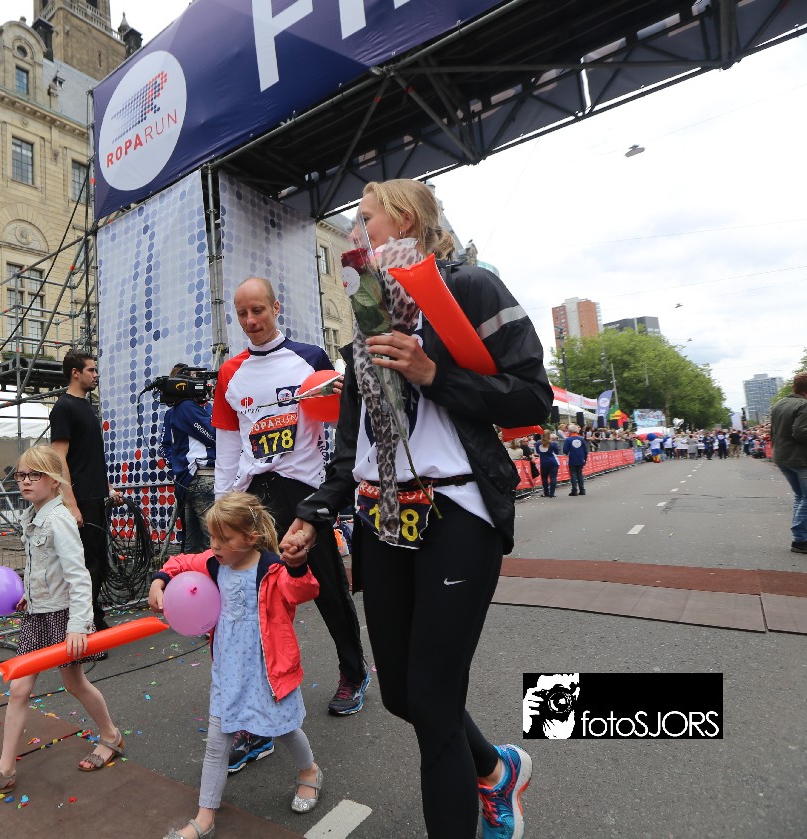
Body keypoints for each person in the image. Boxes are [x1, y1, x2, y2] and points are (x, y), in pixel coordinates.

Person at [280, 179, 550, 839]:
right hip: (381, 516)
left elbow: (531, 398)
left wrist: (435, 375)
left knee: (432, 700)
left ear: (402, 219)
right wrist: (315, 511)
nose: (354, 232)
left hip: (457, 510)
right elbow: (354, 445)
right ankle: (497, 770)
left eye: (364, 218)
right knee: (402, 694)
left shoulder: (471, 286)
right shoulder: (365, 312)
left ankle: (480, 802)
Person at [211, 275, 371, 727]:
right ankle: (263, 689)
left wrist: (344, 397)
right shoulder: (230, 372)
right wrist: (222, 508)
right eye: (242, 313)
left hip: (304, 491)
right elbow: (228, 445)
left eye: (258, 310)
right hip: (254, 496)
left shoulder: (310, 357)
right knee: (255, 595)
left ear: (276, 307)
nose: (250, 320)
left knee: (326, 587)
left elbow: (339, 423)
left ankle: (354, 672)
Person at [149, 493, 322, 839]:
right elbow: (181, 561)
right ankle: (205, 818)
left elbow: (303, 590)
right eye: (212, 536)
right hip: (228, 673)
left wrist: (298, 564)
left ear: (251, 538)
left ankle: (310, 771)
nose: (215, 545)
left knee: (284, 728)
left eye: (224, 538)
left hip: (268, 673)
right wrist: (160, 580)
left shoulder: (272, 569)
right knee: (217, 742)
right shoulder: (215, 563)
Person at [0, 445, 124, 795]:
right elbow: (42, 567)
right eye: (21, 475)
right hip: (37, 616)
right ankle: (5, 770)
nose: (25, 481)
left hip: (63, 617)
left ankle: (111, 734)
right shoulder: (32, 516)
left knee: (75, 684)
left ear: (54, 481)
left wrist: (78, 625)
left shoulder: (59, 519)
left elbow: (78, 575)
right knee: (19, 688)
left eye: (34, 475)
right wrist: (29, 595)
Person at [48, 351, 123, 634]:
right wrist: (72, 504)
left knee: (98, 561)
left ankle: (94, 616)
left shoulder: (86, 406)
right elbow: (59, 459)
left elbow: (89, 457)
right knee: (86, 564)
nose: (95, 375)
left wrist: (108, 489)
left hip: (94, 496)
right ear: (75, 373)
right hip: (80, 498)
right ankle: (85, 625)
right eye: (91, 370)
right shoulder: (64, 408)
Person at [160, 363, 217, 553]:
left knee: (193, 543)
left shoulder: (189, 407)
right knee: (213, 539)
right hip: (200, 476)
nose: (200, 383)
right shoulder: (186, 407)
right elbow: (214, 435)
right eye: (194, 378)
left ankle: (189, 571)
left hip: (192, 479)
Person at [769, 372, 807, 555]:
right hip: (803, 458)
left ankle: (800, 537)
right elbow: (801, 433)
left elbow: (774, 432)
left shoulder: (780, 403)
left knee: (801, 496)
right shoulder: (806, 406)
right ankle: (801, 539)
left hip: (783, 456)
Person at [564, 424, 588, 493]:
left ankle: (574, 490)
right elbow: (585, 451)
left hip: (572, 458)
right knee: (580, 474)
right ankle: (582, 490)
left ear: (570, 431)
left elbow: (565, 450)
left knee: (573, 474)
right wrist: (585, 459)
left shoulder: (568, 439)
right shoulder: (581, 439)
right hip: (580, 458)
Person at [535, 431, 560, 498]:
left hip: (543, 462)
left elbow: (538, 452)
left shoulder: (538, 443)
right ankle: (552, 493)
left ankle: (546, 492)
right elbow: (557, 452)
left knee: (544, 478)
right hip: (553, 462)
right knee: (553, 477)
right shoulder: (552, 443)